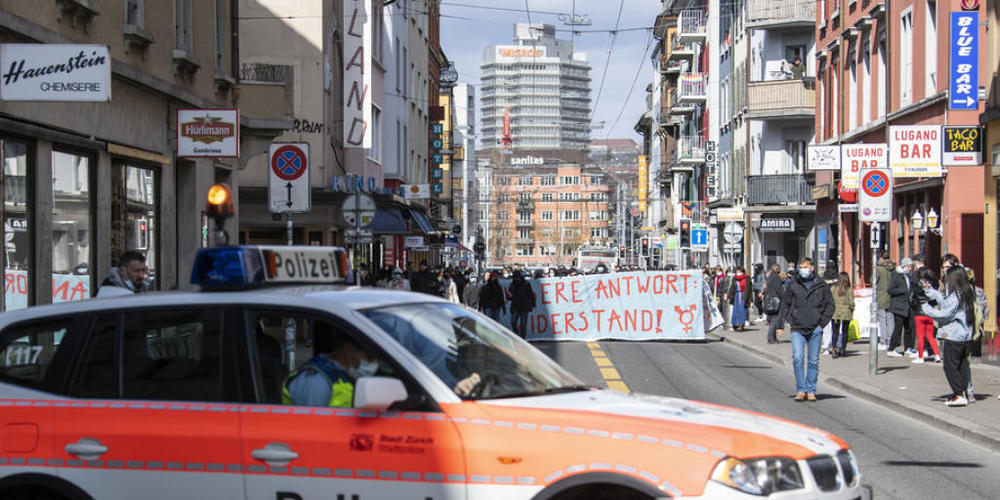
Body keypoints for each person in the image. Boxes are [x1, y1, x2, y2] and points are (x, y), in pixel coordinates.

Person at [776, 258, 834, 402]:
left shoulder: (821, 285)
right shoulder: (794, 284)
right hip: (797, 327)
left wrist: (822, 324)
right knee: (797, 358)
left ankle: (811, 390)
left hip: (815, 328)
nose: (802, 270)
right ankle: (801, 390)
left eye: (805, 267)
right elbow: (785, 304)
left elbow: (830, 305)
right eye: (800, 267)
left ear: (812, 268)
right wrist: (780, 325)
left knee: (813, 360)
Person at [282, 326, 379, 407]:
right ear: (349, 349)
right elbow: (309, 425)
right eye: (369, 357)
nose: (375, 363)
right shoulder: (316, 381)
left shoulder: (341, 375)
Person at [920, 266, 976, 407]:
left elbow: (944, 314)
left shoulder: (956, 296)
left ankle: (959, 394)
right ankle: (963, 393)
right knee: (961, 365)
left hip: (954, 335)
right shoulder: (965, 293)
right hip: (963, 335)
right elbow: (945, 302)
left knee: (950, 366)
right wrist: (930, 291)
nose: (946, 281)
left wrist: (925, 308)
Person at [887, 258, 917, 358]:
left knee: (909, 327)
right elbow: (890, 290)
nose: (910, 268)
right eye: (909, 266)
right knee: (898, 328)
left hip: (908, 306)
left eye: (911, 266)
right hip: (898, 306)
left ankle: (908, 348)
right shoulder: (897, 276)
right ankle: (892, 348)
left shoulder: (909, 276)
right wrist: (903, 290)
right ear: (904, 266)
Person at [910, 267, 940, 364]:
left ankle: (920, 356)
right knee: (930, 336)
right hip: (930, 313)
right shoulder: (932, 284)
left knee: (920, 337)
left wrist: (914, 307)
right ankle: (936, 355)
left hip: (919, 313)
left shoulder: (917, 284)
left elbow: (911, 299)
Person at [830, 272, 854, 358]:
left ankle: (834, 349)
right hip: (846, 312)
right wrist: (851, 309)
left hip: (835, 312)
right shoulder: (849, 289)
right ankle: (843, 349)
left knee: (835, 332)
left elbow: (830, 300)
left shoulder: (833, 288)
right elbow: (851, 302)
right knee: (845, 332)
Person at [507, 271, 536, 338]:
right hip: (515, 306)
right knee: (513, 322)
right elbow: (509, 297)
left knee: (523, 324)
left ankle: (522, 338)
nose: (516, 279)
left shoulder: (526, 284)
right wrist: (509, 296)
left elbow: (531, 295)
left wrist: (533, 304)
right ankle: (517, 334)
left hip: (524, 306)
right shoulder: (512, 285)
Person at [875, 252, 895, 350]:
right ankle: (890, 340)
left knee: (882, 320)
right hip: (891, 297)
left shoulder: (879, 269)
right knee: (890, 320)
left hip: (881, 296)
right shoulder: (893, 269)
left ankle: (883, 341)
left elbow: (873, 280)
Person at [762, 264, 785, 344]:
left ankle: (773, 338)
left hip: (769, 300)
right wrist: (783, 297)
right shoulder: (776, 278)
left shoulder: (770, 277)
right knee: (774, 320)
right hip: (775, 301)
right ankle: (771, 338)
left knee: (772, 319)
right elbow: (779, 290)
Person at [727, 267, 751, 331]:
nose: (738, 273)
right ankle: (735, 324)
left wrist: (750, 298)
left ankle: (741, 324)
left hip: (743, 296)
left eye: (739, 272)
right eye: (737, 271)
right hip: (736, 296)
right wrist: (730, 297)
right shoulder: (735, 278)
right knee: (735, 310)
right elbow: (732, 288)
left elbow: (749, 289)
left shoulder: (747, 278)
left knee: (742, 310)